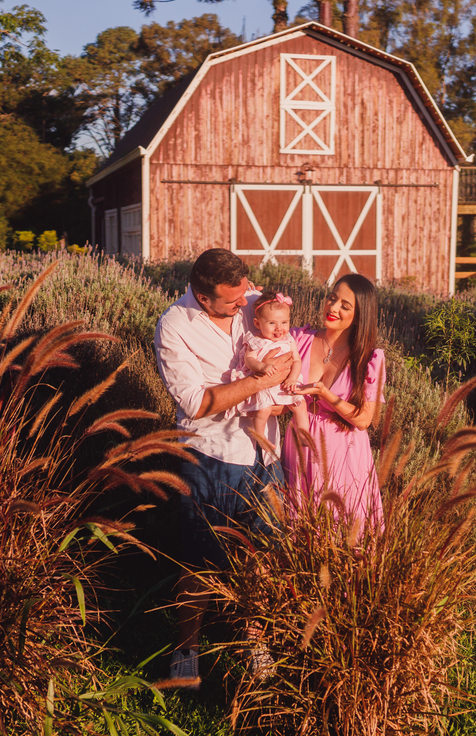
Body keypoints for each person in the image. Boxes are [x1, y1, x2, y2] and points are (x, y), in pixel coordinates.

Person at [154, 248, 293, 689]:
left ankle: (255, 641)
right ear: (201, 295)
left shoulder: (251, 299)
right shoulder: (174, 325)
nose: (243, 304)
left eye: (244, 295)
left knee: (263, 554)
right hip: (211, 456)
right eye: (232, 301)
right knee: (200, 560)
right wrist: (258, 383)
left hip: (264, 454)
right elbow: (196, 404)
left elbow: (287, 345)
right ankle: (186, 650)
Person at [284, 274, 386, 533]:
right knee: (299, 526)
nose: (333, 308)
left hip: (344, 449)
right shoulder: (299, 339)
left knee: (344, 527)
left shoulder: (370, 358)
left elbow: (364, 420)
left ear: (360, 314)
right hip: (300, 439)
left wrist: (325, 394)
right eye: (332, 298)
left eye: (344, 305)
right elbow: (262, 331)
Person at [235, 289, 310, 460]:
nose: (279, 328)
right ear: (257, 323)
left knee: (300, 405)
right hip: (265, 383)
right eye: (272, 323)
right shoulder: (256, 340)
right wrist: (262, 366)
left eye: (284, 322)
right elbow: (249, 360)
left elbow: (297, 361)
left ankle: (304, 434)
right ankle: (259, 436)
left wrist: (292, 378)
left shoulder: (289, 340)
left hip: (285, 382)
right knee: (264, 409)